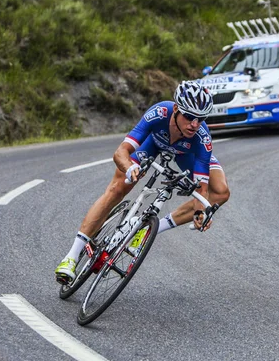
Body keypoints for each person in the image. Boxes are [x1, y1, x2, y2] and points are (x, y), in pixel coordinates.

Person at [55, 80, 230, 284]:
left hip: (186, 153)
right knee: (117, 189)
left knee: (220, 193)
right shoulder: (159, 113)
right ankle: (71, 257)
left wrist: (200, 213)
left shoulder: (201, 137)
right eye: (190, 116)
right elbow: (120, 152)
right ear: (176, 109)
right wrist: (130, 168)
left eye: (201, 119)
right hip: (152, 143)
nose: (194, 124)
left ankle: (148, 229)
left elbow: (202, 188)